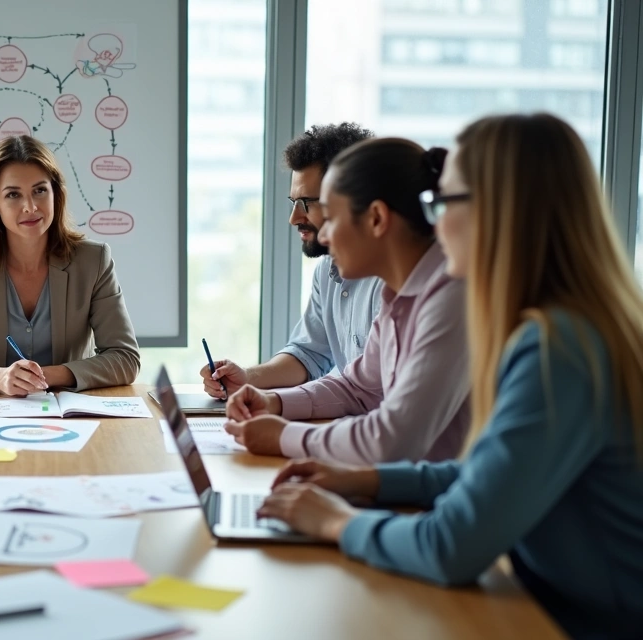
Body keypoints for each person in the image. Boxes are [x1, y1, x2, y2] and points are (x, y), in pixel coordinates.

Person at [256, 113, 643, 639]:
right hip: (547, 603)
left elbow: (451, 546)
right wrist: (369, 479)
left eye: (443, 203)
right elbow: (487, 473)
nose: (432, 223)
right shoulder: (561, 328)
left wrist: (332, 521)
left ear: (497, 214)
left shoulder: (559, 349)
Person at [224, 138, 470, 463]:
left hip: (434, 500)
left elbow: (392, 440)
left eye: (332, 217)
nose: (323, 235)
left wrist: (283, 436)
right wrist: (275, 403)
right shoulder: (398, 294)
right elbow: (359, 387)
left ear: (377, 219)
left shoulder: (449, 299)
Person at [0, 135, 140, 395]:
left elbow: (125, 358)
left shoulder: (93, 261)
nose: (30, 207)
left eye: (40, 190)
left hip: (71, 416)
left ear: (55, 194)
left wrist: (45, 375)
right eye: (13, 194)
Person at [201, 123, 380, 394]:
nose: (294, 218)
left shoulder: (392, 280)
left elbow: (366, 396)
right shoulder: (327, 270)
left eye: (307, 203)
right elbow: (309, 354)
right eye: (293, 202)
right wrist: (246, 377)